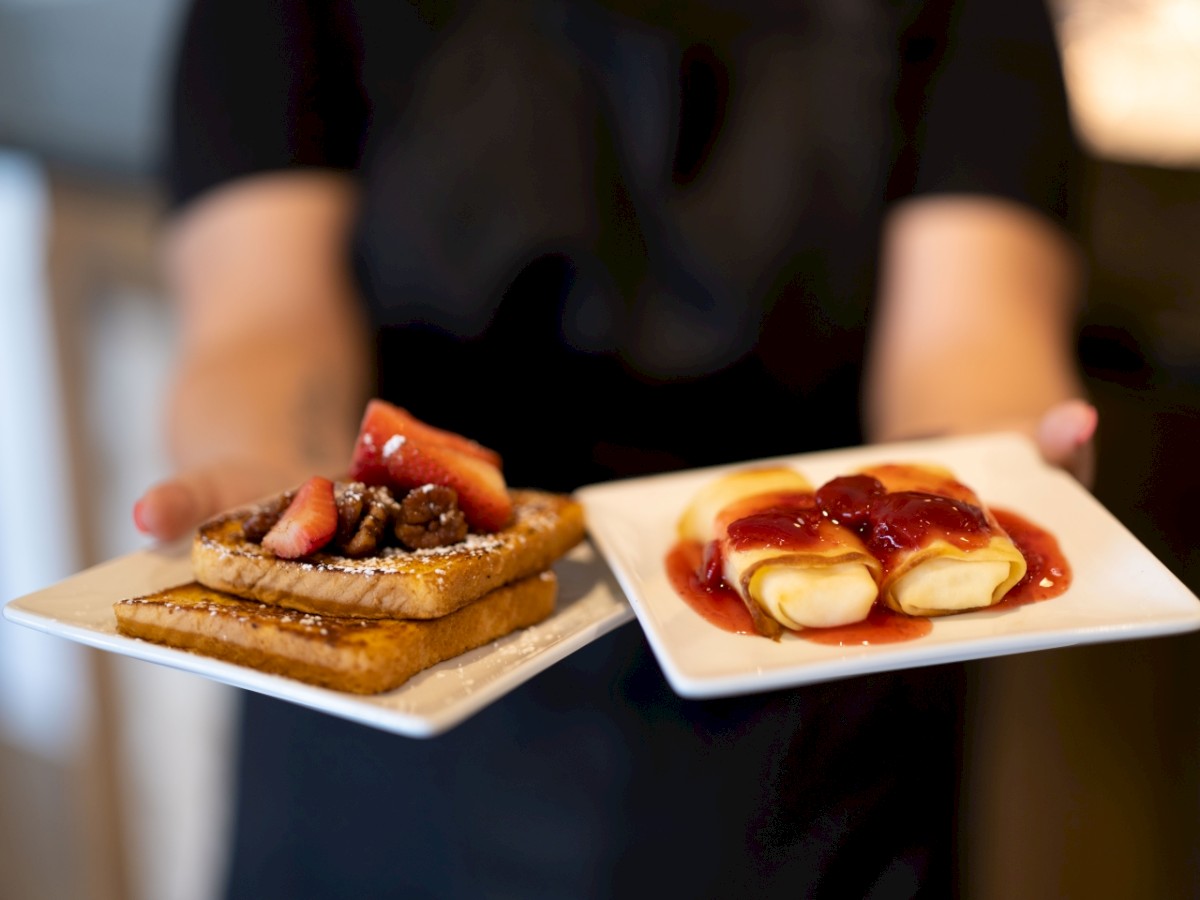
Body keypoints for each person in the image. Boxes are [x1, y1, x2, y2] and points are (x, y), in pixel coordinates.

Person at [133, 1, 1097, 896]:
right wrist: (276, 487)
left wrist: (983, 475)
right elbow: (263, 323)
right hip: (387, 744)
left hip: (816, 751)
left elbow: (972, 333)